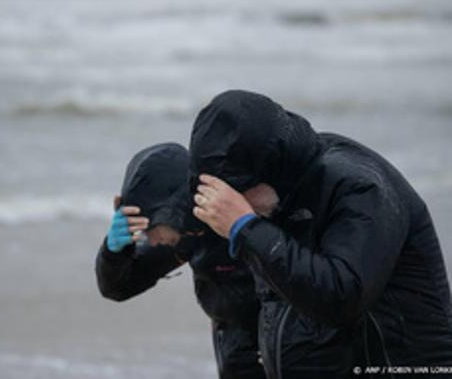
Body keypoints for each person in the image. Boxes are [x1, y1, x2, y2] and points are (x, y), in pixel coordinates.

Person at [189, 90, 452, 378]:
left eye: (238, 193)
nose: (237, 205)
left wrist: (246, 228)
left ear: (272, 168)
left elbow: (341, 297)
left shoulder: (358, 186)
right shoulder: (278, 196)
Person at [95, 142, 266, 379]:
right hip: (235, 352)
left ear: (170, 209)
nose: (148, 240)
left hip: (285, 352)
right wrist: (115, 252)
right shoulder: (184, 236)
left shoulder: (244, 216)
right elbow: (119, 287)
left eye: (147, 225)